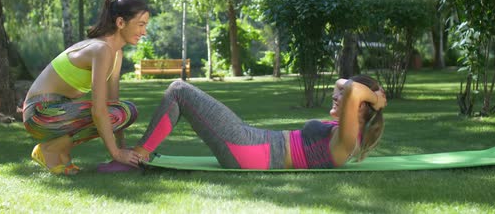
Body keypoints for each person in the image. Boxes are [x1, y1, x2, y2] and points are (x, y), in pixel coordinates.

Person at [128, 75, 386, 170]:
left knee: (178, 90)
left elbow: (351, 88)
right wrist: (372, 97)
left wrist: (374, 96)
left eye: (342, 97)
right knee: (180, 91)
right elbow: (346, 83)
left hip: (251, 151)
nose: (335, 94)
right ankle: (139, 154)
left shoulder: (349, 140)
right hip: (254, 142)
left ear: (359, 106)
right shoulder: (345, 134)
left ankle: (136, 156)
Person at [22, 0, 149, 175]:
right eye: (140, 25)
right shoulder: (101, 50)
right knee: (120, 111)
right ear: (121, 22)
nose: (144, 32)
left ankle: (59, 151)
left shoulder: (115, 53)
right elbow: (99, 110)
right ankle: (50, 150)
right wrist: (115, 153)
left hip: (59, 112)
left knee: (124, 111)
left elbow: (114, 104)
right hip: (39, 113)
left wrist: (123, 147)